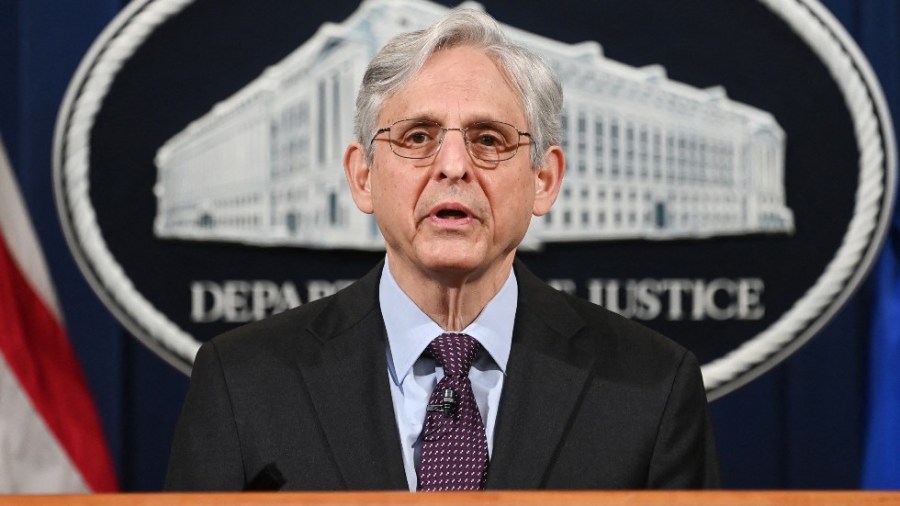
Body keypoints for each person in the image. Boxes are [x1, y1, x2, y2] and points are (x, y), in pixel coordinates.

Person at [165, 7, 720, 491]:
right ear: (363, 177)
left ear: (544, 180)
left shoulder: (652, 386)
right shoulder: (243, 382)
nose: (453, 166)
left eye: (488, 140)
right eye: (416, 137)